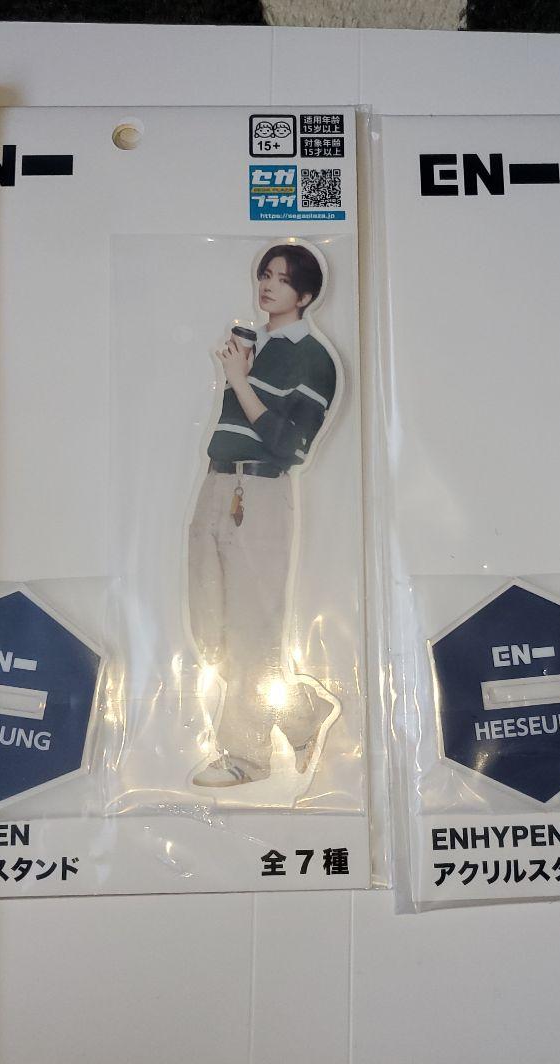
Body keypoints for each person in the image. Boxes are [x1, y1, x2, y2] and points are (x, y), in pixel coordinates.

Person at [187, 242, 338, 787]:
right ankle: (300, 713)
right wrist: (241, 372)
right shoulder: (256, 348)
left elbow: (289, 446)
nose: (268, 285)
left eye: (283, 279)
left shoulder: (313, 359)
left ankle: (246, 757)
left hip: (262, 493)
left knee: (252, 628)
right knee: (210, 626)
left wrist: (239, 381)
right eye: (265, 274)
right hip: (217, 485)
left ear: (306, 295)